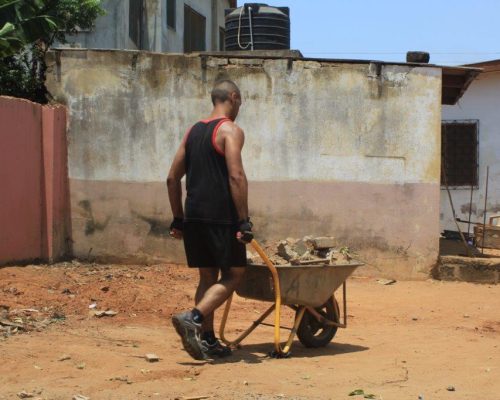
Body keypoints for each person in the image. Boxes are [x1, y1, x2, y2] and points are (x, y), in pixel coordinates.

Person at [166, 79, 253, 360]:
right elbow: (236, 175)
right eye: (239, 102)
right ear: (233, 97)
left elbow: (171, 178)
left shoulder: (193, 131)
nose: (239, 107)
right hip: (221, 217)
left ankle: (208, 340)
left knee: (207, 275)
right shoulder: (230, 130)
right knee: (235, 274)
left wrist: (178, 219)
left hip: (193, 215)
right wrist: (244, 221)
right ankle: (193, 316)